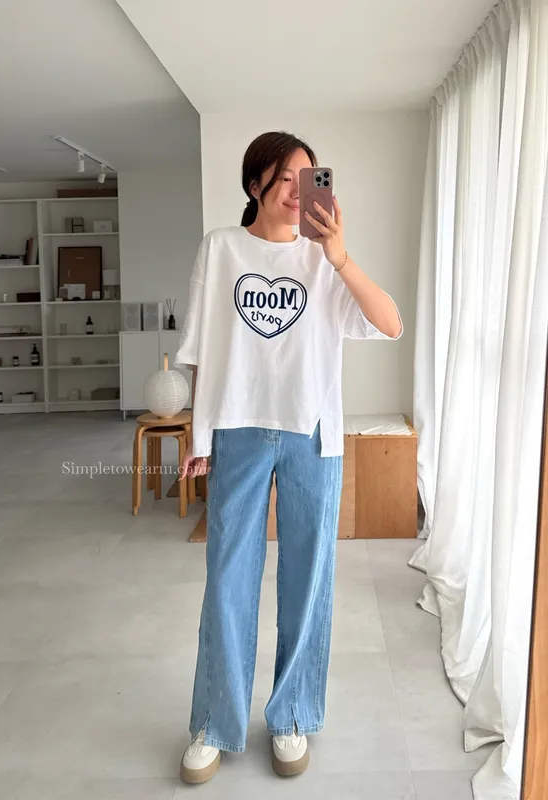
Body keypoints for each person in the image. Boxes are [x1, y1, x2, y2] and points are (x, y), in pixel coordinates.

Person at [174, 131, 402, 784]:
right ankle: (214, 721)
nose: (298, 192)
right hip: (239, 429)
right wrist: (198, 436)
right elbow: (200, 350)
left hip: (312, 434)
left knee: (308, 581)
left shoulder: (324, 259)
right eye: (284, 179)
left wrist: (340, 256)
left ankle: (292, 713)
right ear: (255, 185)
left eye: (308, 180)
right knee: (227, 580)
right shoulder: (221, 249)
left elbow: (390, 323)